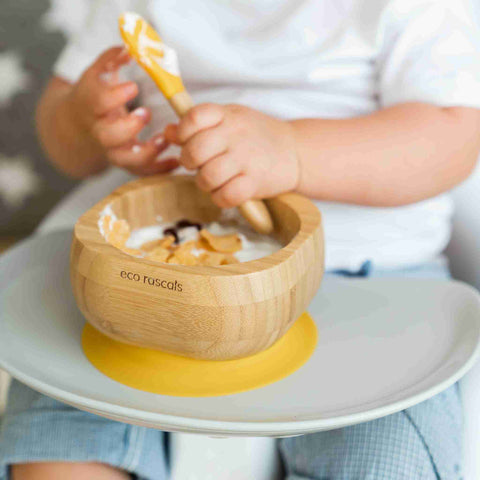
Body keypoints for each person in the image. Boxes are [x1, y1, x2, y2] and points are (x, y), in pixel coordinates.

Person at [2, 0, 480, 478]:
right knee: (60, 447)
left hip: (367, 279)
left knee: (387, 457)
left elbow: (452, 136)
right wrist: (84, 122)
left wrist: (293, 151)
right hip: (151, 271)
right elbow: (63, 138)